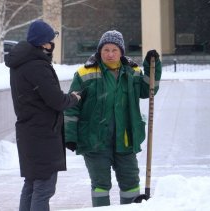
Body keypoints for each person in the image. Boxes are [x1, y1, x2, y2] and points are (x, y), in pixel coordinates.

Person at [64, 30, 162, 207]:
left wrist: (152, 66)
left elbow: (149, 90)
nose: (110, 54)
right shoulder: (84, 73)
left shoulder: (133, 72)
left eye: (114, 50)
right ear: (99, 51)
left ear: (121, 52)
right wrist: (70, 136)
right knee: (100, 185)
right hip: (94, 141)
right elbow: (72, 107)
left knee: (131, 184)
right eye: (106, 50)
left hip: (126, 139)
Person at [5, 20, 81, 211]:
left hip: (30, 131)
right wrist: (73, 98)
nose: (52, 44)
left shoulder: (21, 63)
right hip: (42, 134)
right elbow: (56, 100)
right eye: (50, 40)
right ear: (43, 43)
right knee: (43, 188)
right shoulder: (37, 66)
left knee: (31, 186)